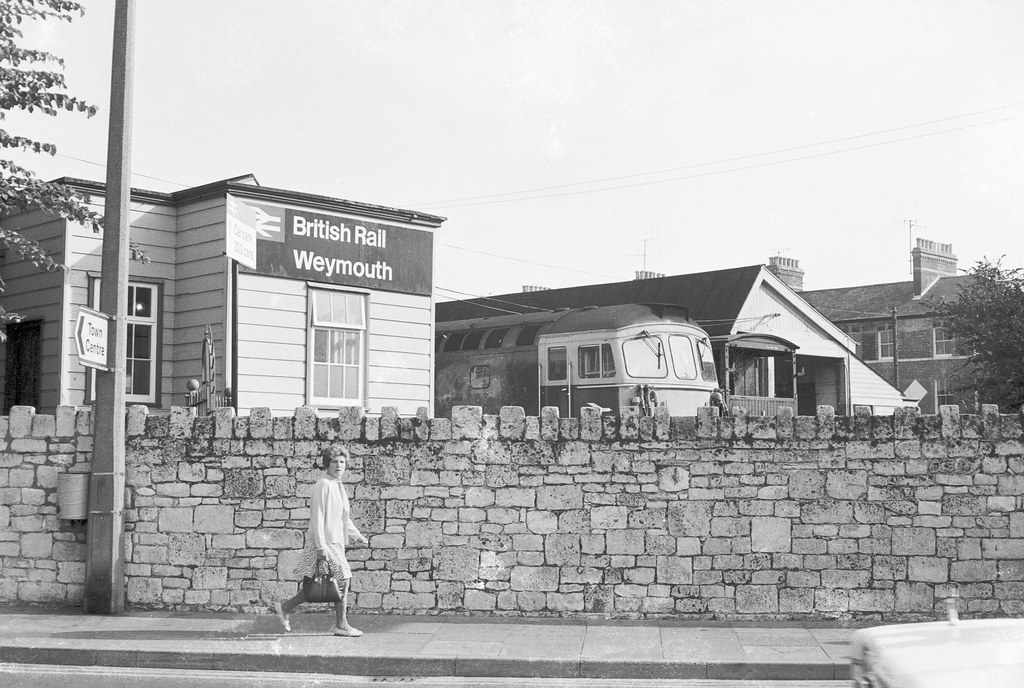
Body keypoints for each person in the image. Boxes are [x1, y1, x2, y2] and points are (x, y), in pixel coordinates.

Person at [272, 445, 368, 637]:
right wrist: (321, 547)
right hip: (325, 543)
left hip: (333, 542)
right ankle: (341, 625)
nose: (339, 465)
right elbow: (317, 516)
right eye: (334, 461)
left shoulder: (337, 485)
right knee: (343, 579)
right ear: (327, 463)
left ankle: (284, 608)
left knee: (316, 583)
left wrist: (357, 535)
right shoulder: (323, 484)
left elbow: (342, 517)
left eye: (342, 462)